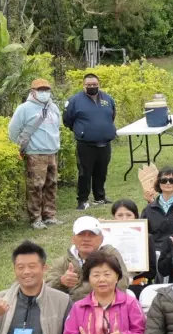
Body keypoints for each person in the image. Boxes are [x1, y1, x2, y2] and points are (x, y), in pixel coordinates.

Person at [8, 78, 61, 229]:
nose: (44, 93)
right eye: (40, 90)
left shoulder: (53, 107)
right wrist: (21, 145)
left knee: (51, 184)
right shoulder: (24, 108)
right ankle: (35, 218)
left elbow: (57, 126)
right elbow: (13, 130)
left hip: (52, 151)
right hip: (35, 153)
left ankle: (49, 215)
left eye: (46, 90)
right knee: (36, 186)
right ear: (33, 92)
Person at [64, 73, 117, 211]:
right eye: (89, 85)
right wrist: (81, 131)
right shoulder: (75, 101)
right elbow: (67, 120)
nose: (92, 87)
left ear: (99, 84)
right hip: (85, 145)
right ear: (83, 85)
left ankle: (100, 197)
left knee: (102, 171)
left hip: (105, 143)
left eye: (94, 84)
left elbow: (112, 116)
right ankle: (82, 200)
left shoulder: (107, 98)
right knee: (84, 173)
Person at [47, 216, 130, 300]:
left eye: (92, 235)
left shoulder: (110, 254)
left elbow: (122, 283)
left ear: (101, 239)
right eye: (81, 234)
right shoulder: (64, 261)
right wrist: (61, 281)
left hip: (107, 305)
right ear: (73, 239)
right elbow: (46, 289)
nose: (86, 239)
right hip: (73, 309)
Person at [143, 167, 173, 262]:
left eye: (172, 180)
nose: (168, 183)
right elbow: (144, 235)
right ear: (158, 183)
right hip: (155, 253)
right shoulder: (148, 209)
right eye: (164, 180)